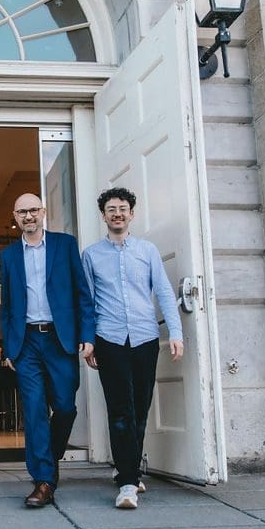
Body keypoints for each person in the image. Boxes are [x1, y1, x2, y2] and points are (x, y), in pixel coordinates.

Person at [82, 187, 183, 510]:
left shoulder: (147, 251)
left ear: (132, 213)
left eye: (123, 208)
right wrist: (88, 341)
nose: (117, 214)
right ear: (103, 216)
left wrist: (176, 332)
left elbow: (164, 293)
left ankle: (129, 467)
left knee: (140, 408)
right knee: (120, 410)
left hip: (144, 338)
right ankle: (127, 482)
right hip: (109, 339)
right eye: (111, 209)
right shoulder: (92, 255)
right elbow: (88, 302)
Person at [0, 193, 95, 508]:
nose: (28, 216)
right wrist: (10, 347)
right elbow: (8, 306)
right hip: (26, 342)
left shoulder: (65, 245)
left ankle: (47, 462)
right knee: (35, 409)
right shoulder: (9, 255)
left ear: (43, 212)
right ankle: (43, 480)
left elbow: (82, 294)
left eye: (33, 210)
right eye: (22, 211)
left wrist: (88, 335)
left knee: (66, 406)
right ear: (15, 216)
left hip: (60, 338)